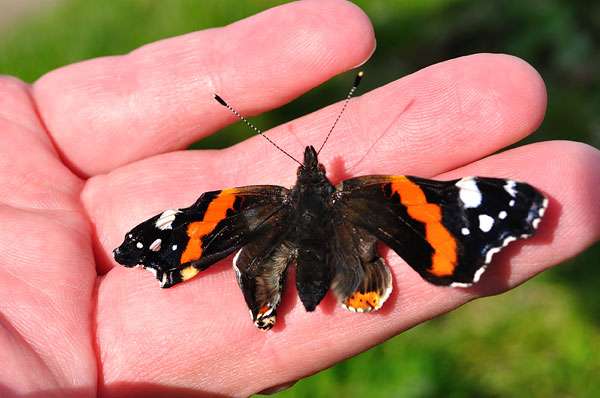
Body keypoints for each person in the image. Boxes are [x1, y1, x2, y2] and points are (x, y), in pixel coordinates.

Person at [1, 1, 598, 396]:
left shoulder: (249, 202)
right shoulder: (379, 195)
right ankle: (330, 288)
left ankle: (270, 298)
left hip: (272, 244)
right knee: (420, 208)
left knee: (252, 245)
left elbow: (192, 225)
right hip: (351, 249)